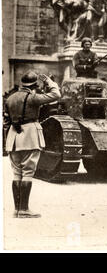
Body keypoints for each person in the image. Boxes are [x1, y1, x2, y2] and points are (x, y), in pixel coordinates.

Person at [4, 72, 61, 218]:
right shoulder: (33, 98)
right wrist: (50, 82)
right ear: (34, 85)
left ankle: (17, 210)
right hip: (29, 136)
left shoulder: (10, 99)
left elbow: (7, 120)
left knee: (17, 173)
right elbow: (56, 95)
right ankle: (24, 210)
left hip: (13, 138)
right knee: (28, 172)